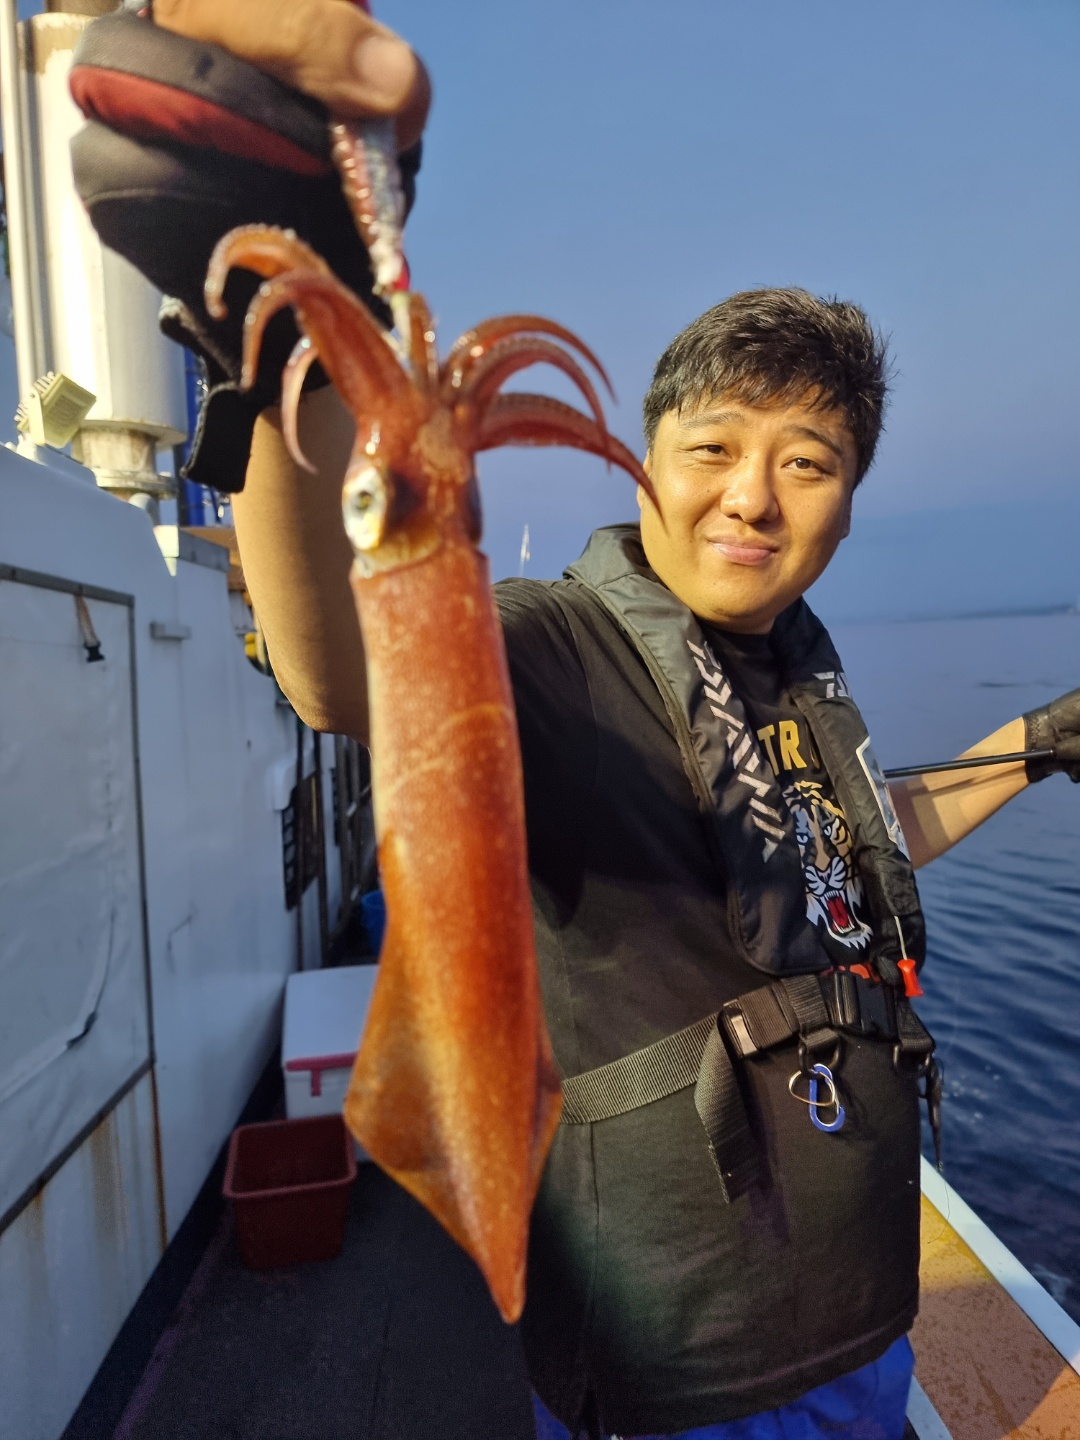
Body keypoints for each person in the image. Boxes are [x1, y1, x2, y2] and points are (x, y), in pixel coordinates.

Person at [79, 6, 1080, 1438]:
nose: (754, 496)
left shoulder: (796, 672)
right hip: (681, 1376)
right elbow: (341, 677)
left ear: (852, 503)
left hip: (862, 1333)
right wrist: (283, 348)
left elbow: (854, 843)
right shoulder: (547, 645)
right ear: (646, 466)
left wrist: (1039, 740)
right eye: (714, 448)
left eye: (809, 463)